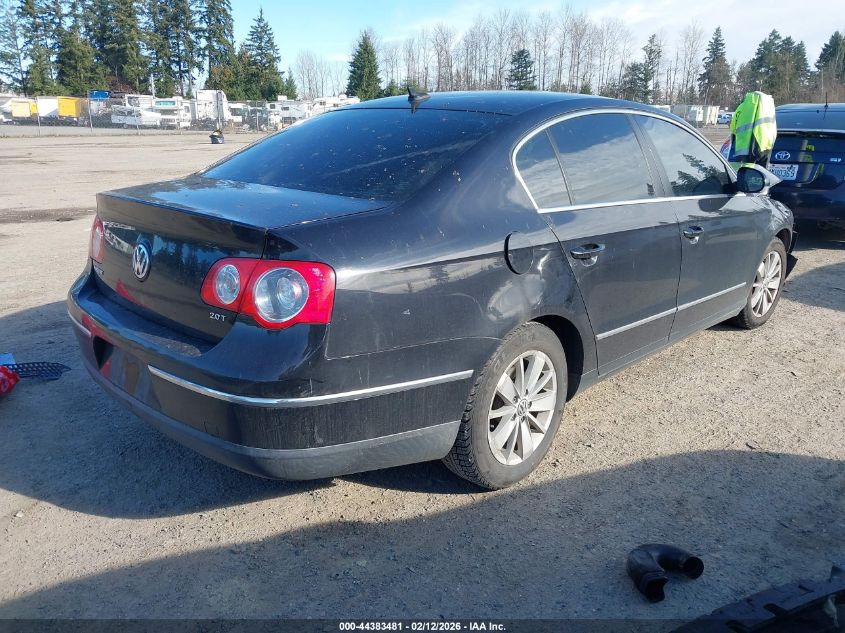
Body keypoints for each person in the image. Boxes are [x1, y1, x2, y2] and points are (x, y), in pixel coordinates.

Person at [729, 91, 777, 168]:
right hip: (765, 146)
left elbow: (733, 127)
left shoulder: (742, 107)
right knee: (761, 171)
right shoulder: (769, 108)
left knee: (744, 172)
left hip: (745, 148)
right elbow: (774, 129)